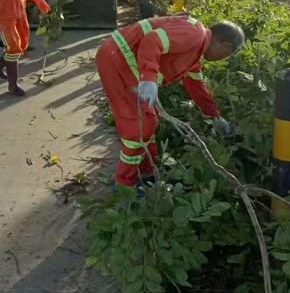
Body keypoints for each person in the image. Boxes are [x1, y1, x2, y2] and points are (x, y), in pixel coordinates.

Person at [96, 16, 245, 188]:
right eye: (226, 55)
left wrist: (215, 116)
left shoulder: (194, 53)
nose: (222, 58)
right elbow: (152, 40)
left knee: (149, 118)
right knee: (140, 125)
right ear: (225, 46)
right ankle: (125, 185)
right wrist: (149, 77)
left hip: (120, 56)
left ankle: (147, 171)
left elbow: (197, 87)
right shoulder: (194, 35)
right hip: (120, 57)